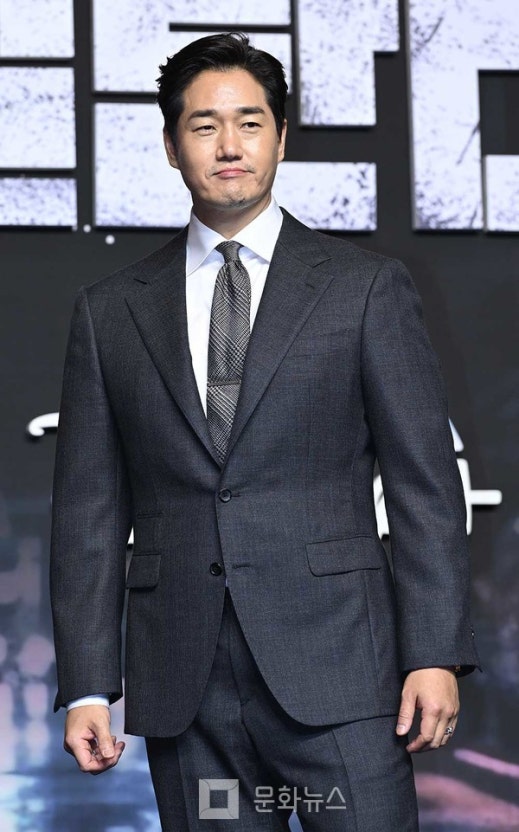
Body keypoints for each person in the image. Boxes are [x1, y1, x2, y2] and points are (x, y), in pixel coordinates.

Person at [50, 32, 480, 831]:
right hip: (187, 688)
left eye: (249, 123)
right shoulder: (110, 312)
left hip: (343, 673)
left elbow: (423, 484)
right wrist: (86, 684)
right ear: (171, 145)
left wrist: (433, 652)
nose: (229, 146)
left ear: (280, 137)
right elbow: (88, 513)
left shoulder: (363, 289)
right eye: (204, 125)